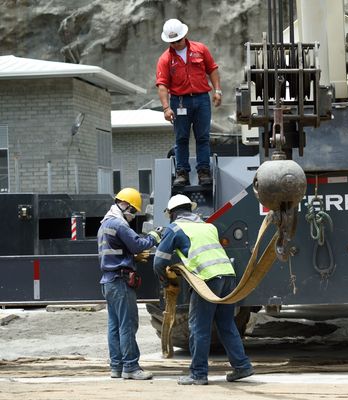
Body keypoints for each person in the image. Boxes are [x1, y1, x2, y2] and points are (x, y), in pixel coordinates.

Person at [153, 194, 254, 385]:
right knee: (226, 324)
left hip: (207, 280)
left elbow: (159, 261)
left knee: (199, 327)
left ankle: (198, 374)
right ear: (190, 209)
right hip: (227, 275)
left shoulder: (174, 228)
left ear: (172, 214)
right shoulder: (208, 226)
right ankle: (242, 366)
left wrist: (166, 282)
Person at [97, 188, 162, 380]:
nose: (133, 217)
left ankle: (116, 367)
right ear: (125, 205)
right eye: (133, 212)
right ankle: (131, 368)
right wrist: (155, 236)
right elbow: (139, 244)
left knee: (114, 326)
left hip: (109, 282)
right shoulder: (119, 224)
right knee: (127, 325)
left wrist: (130, 256)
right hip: (121, 282)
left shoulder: (104, 225)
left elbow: (118, 250)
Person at [156, 18, 223, 187]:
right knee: (181, 138)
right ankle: (182, 172)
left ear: (185, 35)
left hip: (201, 99)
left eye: (178, 40)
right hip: (180, 102)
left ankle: (203, 171)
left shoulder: (200, 50)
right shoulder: (165, 59)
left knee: (203, 137)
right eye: (172, 41)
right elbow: (162, 85)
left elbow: (212, 69)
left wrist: (218, 90)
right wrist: (166, 108)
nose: (176, 44)